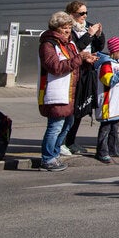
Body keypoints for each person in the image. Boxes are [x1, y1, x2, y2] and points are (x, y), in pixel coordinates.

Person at [38, 11, 98, 171]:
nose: (67, 31)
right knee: (55, 126)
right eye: (64, 28)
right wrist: (80, 58)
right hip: (56, 91)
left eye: (69, 28)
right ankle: (48, 158)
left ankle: (55, 153)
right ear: (56, 28)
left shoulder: (69, 43)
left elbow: (74, 63)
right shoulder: (49, 44)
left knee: (68, 123)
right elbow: (55, 67)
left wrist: (86, 59)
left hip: (70, 92)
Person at [62, 0, 105, 156]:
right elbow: (76, 48)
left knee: (81, 108)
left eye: (86, 12)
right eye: (81, 13)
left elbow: (99, 47)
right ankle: (63, 141)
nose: (85, 16)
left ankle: (71, 140)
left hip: (88, 71)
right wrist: (89, 34)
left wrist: (99, 35)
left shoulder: (87, 27)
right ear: (72, 14)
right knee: (72, 109)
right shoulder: (68, 30)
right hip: (74, 71)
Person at [93, 37, 119, 163]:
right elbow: (108, 80)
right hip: (107, 101)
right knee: (106, 128)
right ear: (115, 50)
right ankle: (101, 151)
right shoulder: (106, 64)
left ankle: (114, 149)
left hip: (116, 101)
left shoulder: (118, 63)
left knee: (115, 127)